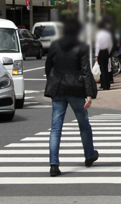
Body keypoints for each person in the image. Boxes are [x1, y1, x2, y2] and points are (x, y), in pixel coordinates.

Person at [44, 19, 98, 177]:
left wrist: (52, 81)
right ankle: (89, 155)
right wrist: (89, 94)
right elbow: (86, 71)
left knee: (56, 128)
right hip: (76, 89)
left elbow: (48, 66)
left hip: (58, 89)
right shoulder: (81, 46)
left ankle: (54, 164)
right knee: (83, 123)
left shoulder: (55, 45)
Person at [95, 18, 113, 91]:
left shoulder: (98, 35)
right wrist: (108, 51)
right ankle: (107, 85)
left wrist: (96, 55)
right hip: (106, 51)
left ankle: (103, 85)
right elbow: (110, 44)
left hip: (101, 52)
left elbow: (97, 46)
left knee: (102, 69)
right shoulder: (108, 34)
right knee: (106, 68)